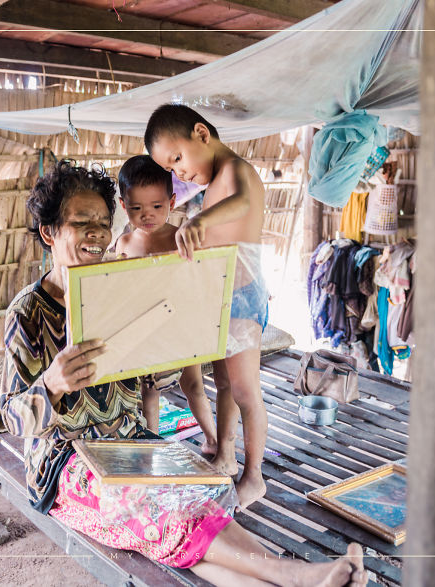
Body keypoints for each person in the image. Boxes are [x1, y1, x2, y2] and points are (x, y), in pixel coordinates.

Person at [1, 160, 368, 586]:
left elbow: (147, 379)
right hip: (67, 463)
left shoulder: (119, 287)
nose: (98, 233)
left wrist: (169, 343)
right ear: (49, 233)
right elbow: (12, 419)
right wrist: (52, 384)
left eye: (103, 221)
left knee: (207, 489)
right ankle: (296, 574)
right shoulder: (27, 312)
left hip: (131, 444)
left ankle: (296, 581)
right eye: (82, 222)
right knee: (159, 506)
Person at [145, 104, 269, 509]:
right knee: (225, 386)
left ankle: (254, 477)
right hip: (220, 297)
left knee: (246, 391)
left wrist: (198, 222)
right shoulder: (212, 184)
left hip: (242, 299)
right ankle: (226, 454)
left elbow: (245, 203)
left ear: (201, 133)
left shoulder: (236, 171)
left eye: (177, 159)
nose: (178, 173)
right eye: (171, 169)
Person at [114, 154, 218, 456]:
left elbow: (198, 280)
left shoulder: (179, 239)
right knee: (150, 389)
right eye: (136, 208)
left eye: (156, 207)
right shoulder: (123, 245)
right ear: (123, 206)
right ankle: (152, 451)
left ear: (172, 202)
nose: (147, 215)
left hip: (181, 325)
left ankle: (211, 438)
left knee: (194, 384)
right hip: (145, 328)